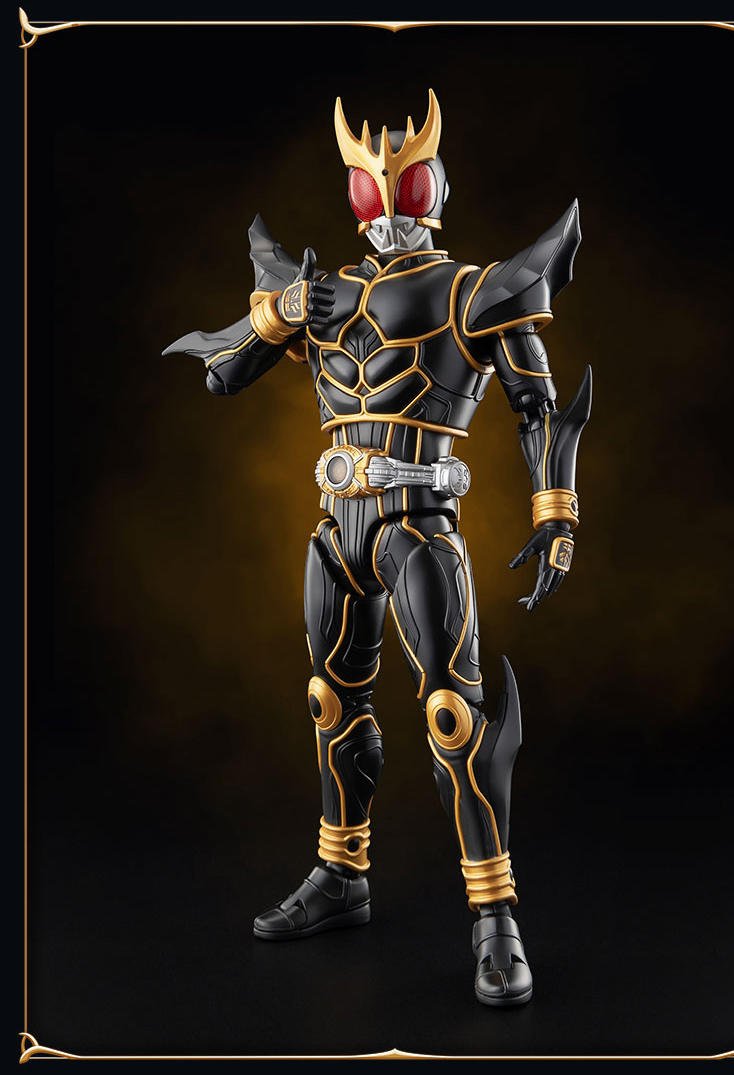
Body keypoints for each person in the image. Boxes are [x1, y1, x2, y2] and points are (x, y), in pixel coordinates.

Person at [164, 89, 591, 1006]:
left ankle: (495, 917)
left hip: (418, 524)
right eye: (372, 188)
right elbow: (221, 374)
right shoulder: (322, 294)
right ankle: (341, 875)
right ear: (355, 194)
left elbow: (538, 405)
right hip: (337, 529)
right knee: (331, 699)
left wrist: (556, 511)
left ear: (436, 187)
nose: (391, 205)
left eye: (408, 184)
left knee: (453, 716)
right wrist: (281, 311)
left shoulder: (472, 289)